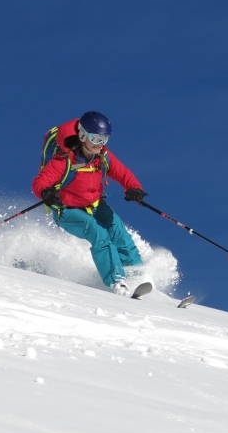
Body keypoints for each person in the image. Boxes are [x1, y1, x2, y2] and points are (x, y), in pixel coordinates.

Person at [32, 111, 147, 296]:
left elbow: (122, 173)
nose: (100, 144)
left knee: (119, 234)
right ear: (83, 135)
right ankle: (118, 282)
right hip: (68, 211)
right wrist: (46, 191)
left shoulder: (103, 156)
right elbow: (40, 181)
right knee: (99, 234)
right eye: (95, 138)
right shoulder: (64, 160)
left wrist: (134, 188)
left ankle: (138, 277)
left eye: (104, 139)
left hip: (95, 205)